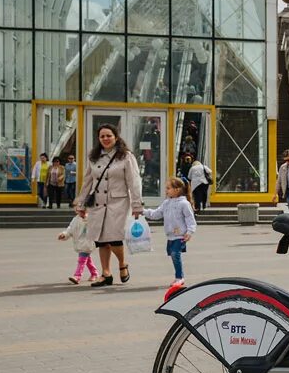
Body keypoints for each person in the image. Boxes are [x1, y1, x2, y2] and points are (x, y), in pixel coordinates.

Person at [73, 123, 143, 287]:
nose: (105, 139)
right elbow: (87, 182)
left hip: (118, 203)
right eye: (102, 136)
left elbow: (134, 181)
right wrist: (81, 204)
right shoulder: (94, 157)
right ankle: (106, 274)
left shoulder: (126, 156)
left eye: (108, 135)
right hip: (97, 204)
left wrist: (137, 205)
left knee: (115, 238)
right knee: (101, 240)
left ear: (116, 137)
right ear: (99, 139)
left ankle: (122, 263)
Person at [143, 177, 197, 288]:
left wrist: (190, 231)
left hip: (180, 235)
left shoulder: (184, 203)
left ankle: (179, 277)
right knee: (173, 255)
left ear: (177, 190)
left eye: (168, 188)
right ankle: (178, 276)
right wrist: (143, 211)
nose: (166, 190)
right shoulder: (166, 203)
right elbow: (156, 214)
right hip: (170, 236)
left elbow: (190, 218)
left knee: (175, 254)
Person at [58, 211, 99, 285]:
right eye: (78, 208)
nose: (81, 211)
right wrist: (64, 234)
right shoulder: (75, 219)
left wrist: (86, 219)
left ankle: (77, 276)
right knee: (87, 260)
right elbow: (70, 229)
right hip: (80, 243)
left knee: (82, 260)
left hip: (88, 243)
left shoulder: (91, 217)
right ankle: (94, 273)